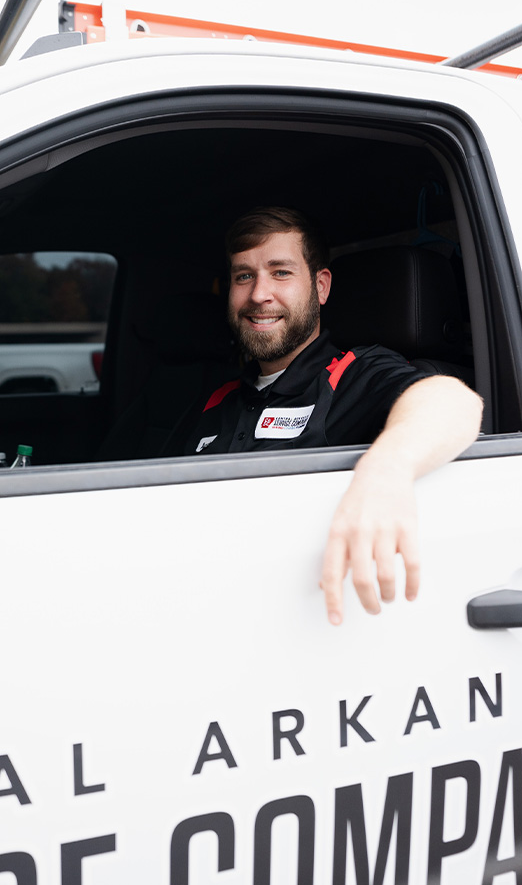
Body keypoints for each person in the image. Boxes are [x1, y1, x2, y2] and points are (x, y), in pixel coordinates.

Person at [168, 207, 483, 625]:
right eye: (244, 276)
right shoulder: (215, 400)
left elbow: (451, 403)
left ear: (320, 287)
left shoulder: (354, 375)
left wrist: (386, 470)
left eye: (280, 273)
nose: (259, 294)